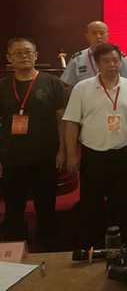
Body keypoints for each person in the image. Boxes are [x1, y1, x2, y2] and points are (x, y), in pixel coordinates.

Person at [63, 43, 127, 248]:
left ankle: (125, 246)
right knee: (90, 204)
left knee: (124, 204)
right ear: (97, 64)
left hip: (124, 155)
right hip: (93, 156)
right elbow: (71, 122)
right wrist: (71, 154)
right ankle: (91, 246)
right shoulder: (82, 88)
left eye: (116, 60)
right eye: (106, 61)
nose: (112, 65)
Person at [0, 38, 67, 250]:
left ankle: (48, 250)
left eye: (28, 52)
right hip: (11, 157)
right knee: (13, 208)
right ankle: (13, 253)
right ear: (9, 58)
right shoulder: (2, 86)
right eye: (18, 53)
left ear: (36, 55)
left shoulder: (52, 83)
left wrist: (63, 150)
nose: (24, 56)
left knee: (46, 207)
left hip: (45, 156)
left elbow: (62, 119)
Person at [61, 21, 127, 89]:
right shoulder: (78, 59)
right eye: (94, 33)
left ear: (108, 36)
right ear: (87, 36)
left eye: (102, 33)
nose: (98, 37)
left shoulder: (119, 56)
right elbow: (70, 86)